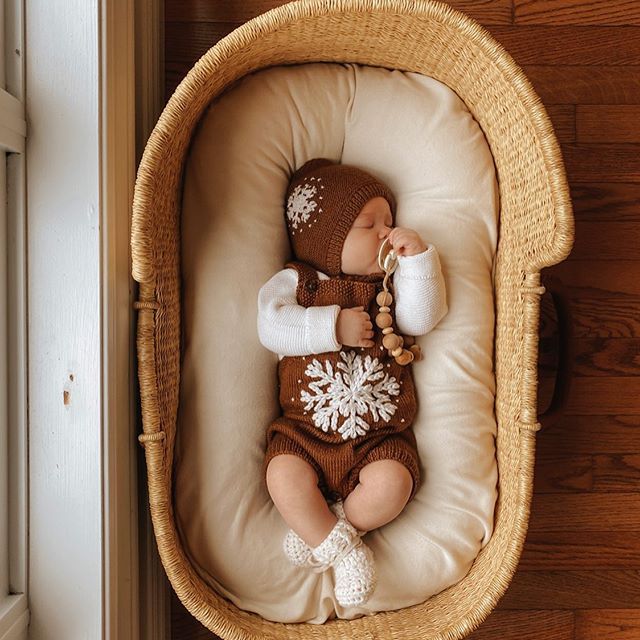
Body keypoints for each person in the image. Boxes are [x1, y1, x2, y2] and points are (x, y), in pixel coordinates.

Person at [257, 158, 447, 608]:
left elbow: (424, 318)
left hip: (378, 442)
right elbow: (271, 326)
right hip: (305, 435)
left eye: (389, 222)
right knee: (281, 476)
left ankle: (330, 529)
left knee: (394, 485)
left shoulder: (388, 286)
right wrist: (331, 329)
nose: (386, 232)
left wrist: (417, 258)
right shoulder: (300, 283)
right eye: (369, 224)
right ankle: (345, 551)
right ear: (327, 240)